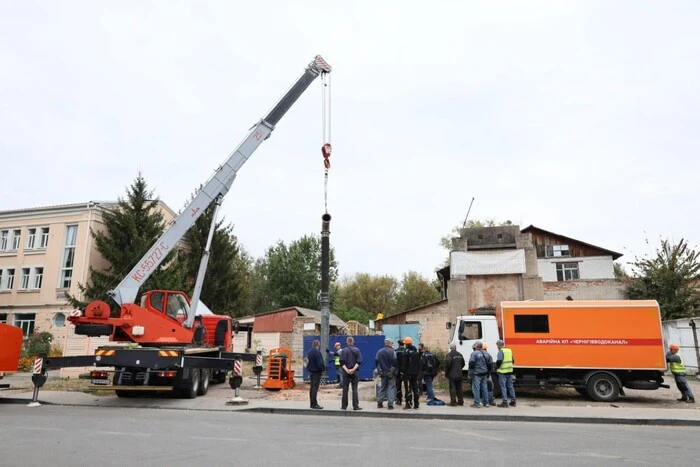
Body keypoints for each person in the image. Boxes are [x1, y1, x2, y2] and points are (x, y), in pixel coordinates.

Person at [340, 336, 363, 410]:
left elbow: (341, 362)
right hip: (355, 372)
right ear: (353, 342)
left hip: (345, 372)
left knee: (345, 389)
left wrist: (347, 370)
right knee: (354, 389)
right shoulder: (357, 350)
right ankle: (355, 406)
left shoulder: (343, 351)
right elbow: (359, 362)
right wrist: (353, 369)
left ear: (347, 342)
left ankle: (344, 406)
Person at [375, 338, 398, 410]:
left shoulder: (379, 351)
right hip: (390, 373)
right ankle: (390, 404)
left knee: (383, 387)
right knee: (391, 387)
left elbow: (377, 362)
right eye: (392, 343)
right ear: (390, 343)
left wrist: (380, 371)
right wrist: (391, 371)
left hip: (382, 373)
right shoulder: (393, 352)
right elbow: (394, 363)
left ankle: (379, 402)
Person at [468, 341, 491, 408]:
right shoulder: (486, 353)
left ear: (476, 346)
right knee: (485, 388)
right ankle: (486, 403)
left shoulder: (474, 353)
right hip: (484, 373)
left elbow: (471, 364)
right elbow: (490, 364)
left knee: (476, 389)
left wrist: (470, 373)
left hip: (477, 374)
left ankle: (477, 403)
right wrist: (488, 372)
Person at [496, 339, 517, 407]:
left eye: (497, 345)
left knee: (503, 387)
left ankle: (504, 402)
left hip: (502, 371)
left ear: (499, 345)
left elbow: (499, 361)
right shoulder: (509, 350)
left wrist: (496, 367)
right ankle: (513, 401)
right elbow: (513, 360)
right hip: (509, 371)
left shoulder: (501, 351)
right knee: (510, 386)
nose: (497, 347)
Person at [402, 336, 421, 409]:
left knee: (408, 389)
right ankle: (416, 405)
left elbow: (404, 363)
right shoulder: (416, 352)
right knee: (415, 389)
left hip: (408, 374)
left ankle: (408, 404)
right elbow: (419, 363)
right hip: (415, 373)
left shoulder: (406, 352)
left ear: (406, 344)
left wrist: (402, 372)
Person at [306, 340, 325, 410]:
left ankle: (312, 403)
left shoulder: (310, 352)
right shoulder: (317, 352)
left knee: (312, 388)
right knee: (315, 388)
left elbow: (307, 361)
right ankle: (314, 404)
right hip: (316, 372)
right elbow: (319, 363)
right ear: (318, 344)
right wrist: (323, 369)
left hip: (311, 372)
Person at [395, 339, 406, 406]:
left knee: (398, 386)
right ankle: (408, 400)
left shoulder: (396, 351)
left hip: (398, 372)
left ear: (398, 344)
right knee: (407, 386)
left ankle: (399, 400)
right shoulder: (406, 351)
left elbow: (394, 362)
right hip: (406, 372)